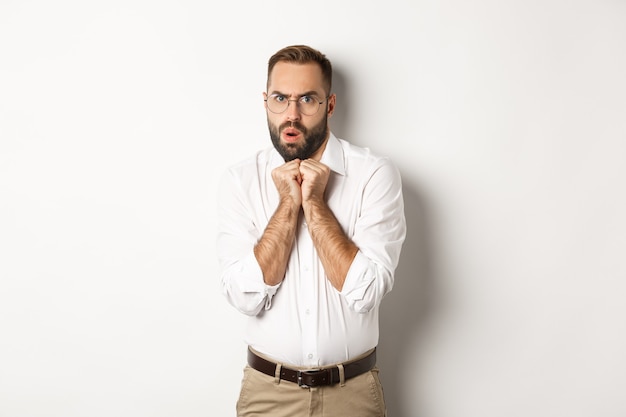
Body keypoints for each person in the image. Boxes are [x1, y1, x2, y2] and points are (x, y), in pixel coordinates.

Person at [217, 45, 406, 417]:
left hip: (352, 395)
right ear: (265, 101)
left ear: (330, 105)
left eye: (307, 99)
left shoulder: (373, 175)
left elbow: (366, 292)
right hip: (267, 395)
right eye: (280, 98)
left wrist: (315, 205)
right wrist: (289, 204)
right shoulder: (241, 180)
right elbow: (244, 296)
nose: (292, 114)